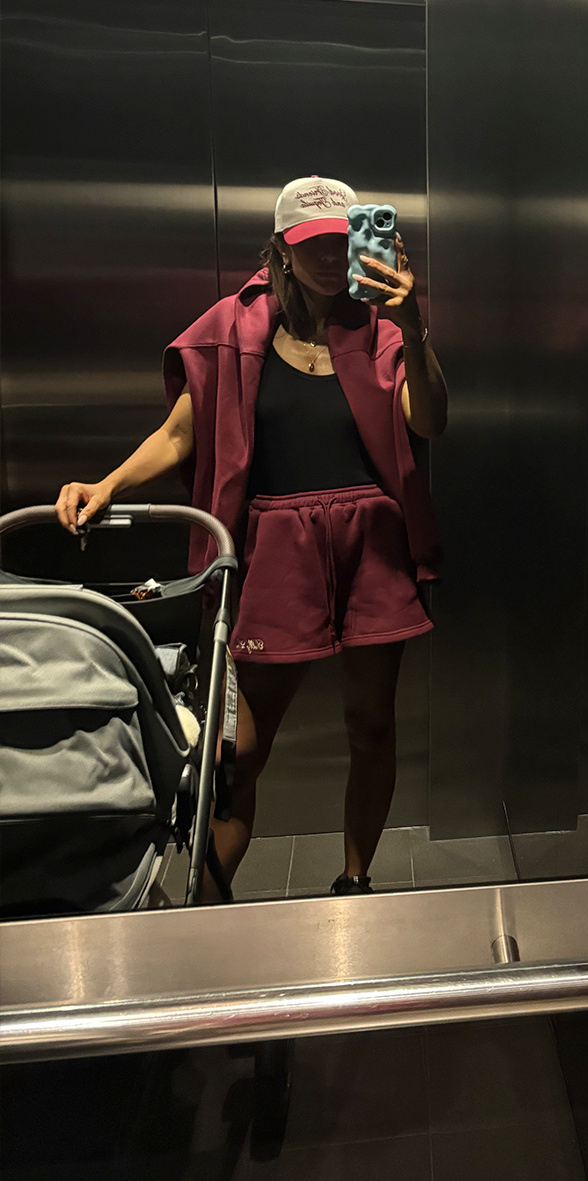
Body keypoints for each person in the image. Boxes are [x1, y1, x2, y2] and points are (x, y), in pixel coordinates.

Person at [56, 176, 447, 898]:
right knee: (236, 752)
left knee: (373, 724)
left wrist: (413, 319)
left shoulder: (381, 329)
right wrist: (105, 484)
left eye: (343, 243)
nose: (331, 259)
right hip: (278, 548)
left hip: (371, 541)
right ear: (280, 250)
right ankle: (208, 901)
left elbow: (428, 422)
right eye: (313, 245)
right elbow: (182, 432)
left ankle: (355, 880)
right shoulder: (234, 328)